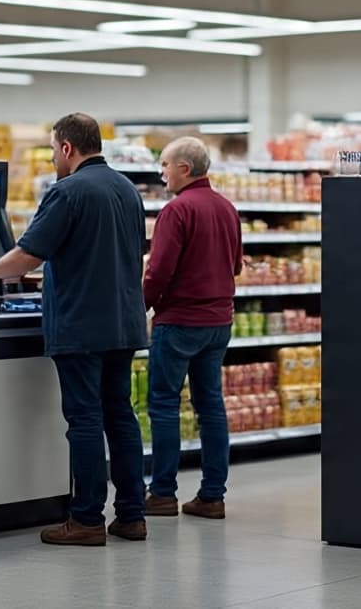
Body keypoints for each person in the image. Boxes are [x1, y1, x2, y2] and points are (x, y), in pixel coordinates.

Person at [0, 113, 149, 547]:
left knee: (84, 418)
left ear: (65, 148)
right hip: (125, 320)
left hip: (82, 323)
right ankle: (132, 515)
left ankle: (86, 520)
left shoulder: (68, 191)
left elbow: (28, 255)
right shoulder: (127, 191)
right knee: (120, 415)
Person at [142, 137, 243, 520]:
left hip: (180, 322)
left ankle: (163, 493)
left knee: (165, 405)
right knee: (211, 407)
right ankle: (212, 495)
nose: (161, 172)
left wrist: (142, 307)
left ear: (184, 168)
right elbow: (235, 265)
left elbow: (159, 270)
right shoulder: (227, 208)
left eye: (165, 165)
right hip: (219, 323)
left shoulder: (177, 210)